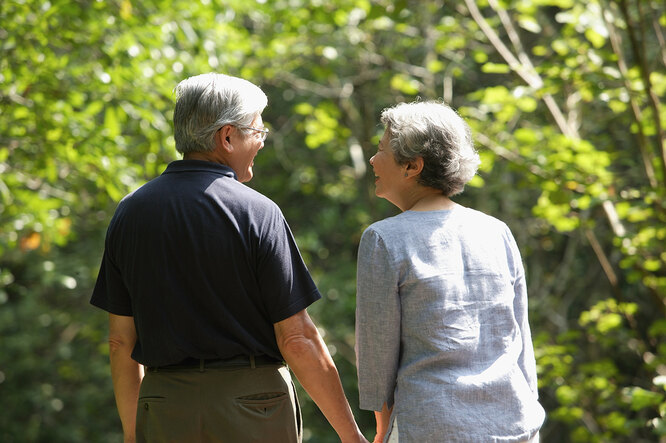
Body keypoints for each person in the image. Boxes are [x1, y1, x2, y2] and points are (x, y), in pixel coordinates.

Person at [91, 73, 367, 443]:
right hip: (255, 407)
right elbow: (297, 339)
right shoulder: (258, 212)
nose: (262, 142)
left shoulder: (129, 213)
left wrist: (133, 433)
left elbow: (120, 343)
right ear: (227, 136)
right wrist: (352, 436)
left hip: (163, 407)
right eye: (259, 132)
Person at [355, 101, 545, 443]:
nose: (372, 159)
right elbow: (520, 341)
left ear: (412, 165)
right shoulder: (496, 230)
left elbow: (376, 355)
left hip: (431, 427)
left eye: (381, 149)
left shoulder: (383, 239)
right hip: (515, 425)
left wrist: (383, 429)